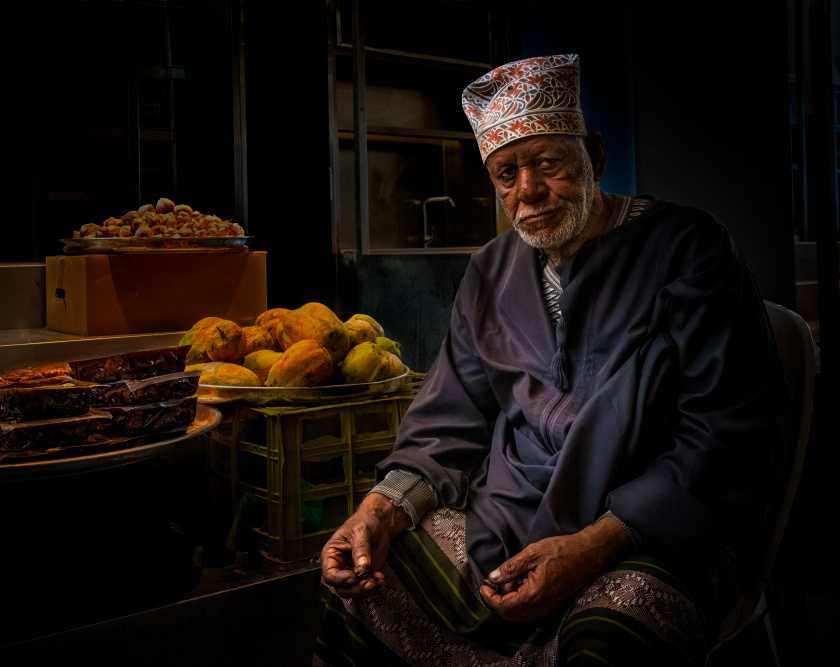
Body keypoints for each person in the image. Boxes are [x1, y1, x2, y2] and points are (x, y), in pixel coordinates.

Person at [315, 54, 786, 666]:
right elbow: (449, 420)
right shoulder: (489, 271)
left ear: (594, 155)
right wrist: (378, 511)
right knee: (360, 584)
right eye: (505, 174)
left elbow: (725, 430)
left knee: (611, 640)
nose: (527, 192)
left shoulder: (688, 247)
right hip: (511, 513)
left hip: (657, 522)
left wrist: (594, 545)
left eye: (547, 164)